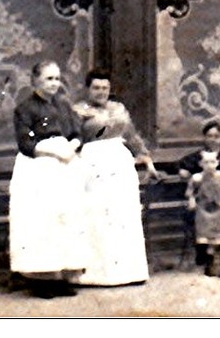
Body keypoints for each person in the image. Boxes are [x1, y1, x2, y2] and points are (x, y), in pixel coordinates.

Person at [8, 60, 89, 298]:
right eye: (48, 79)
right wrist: (53, 152)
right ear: (35, 81)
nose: (54, 84)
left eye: (57, 78)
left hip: (65, 166)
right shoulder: (24, 108)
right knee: (42, 221)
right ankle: (42, 279)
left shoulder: (64, 105)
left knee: (66, 219)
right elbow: (26, 144)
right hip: (39, 168)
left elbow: (77, 132)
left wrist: (72, 147)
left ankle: (62, 275)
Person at [72, 70, 158, 286]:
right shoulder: (77, 111)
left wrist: (146, 158)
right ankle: (97, 274)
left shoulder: (118, 109)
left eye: (105, 88)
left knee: (122, 215)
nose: (101, 92)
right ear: (87, 89)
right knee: (97, 215)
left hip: (120, 163)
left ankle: (128, 272)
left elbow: (131, 135)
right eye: (96, 88)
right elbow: (72, 138)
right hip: (92, 163)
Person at [177, 120, 220, 266]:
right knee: (201, 217)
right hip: (203, 203)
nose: (212, 139)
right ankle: (203, 254)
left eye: (216, 136)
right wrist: (182, 170)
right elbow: (181, 165)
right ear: (204, 138)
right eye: (209, 136)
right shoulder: (196, 158)